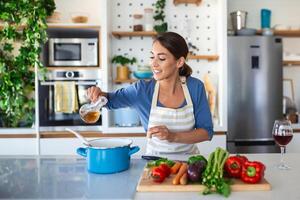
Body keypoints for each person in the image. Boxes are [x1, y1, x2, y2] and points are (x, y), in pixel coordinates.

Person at [87, 32, 213, 156]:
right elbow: (109, 100)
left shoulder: (195, 87)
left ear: (179, 62)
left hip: (189, 164)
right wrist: (97, 94)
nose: (153, 63)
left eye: (161, 58)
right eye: (152, 57)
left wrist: (172, 136)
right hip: (155, 164)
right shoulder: (142, 90)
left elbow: (206, 132)